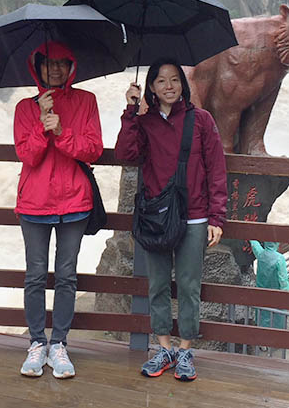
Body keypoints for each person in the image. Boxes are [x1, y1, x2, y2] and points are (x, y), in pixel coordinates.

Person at [114, 57, 228, 382]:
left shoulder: (202, 121)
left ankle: (186, 349)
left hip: (194, 217)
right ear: (151, 87)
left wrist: (216, 218)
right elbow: (125, 154)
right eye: (161, 81)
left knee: (190, 286)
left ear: (183, 84)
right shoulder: (145, 122)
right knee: (159, 284)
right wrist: (130, 112)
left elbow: (217, 170)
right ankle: (163, 347)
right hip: (157, 218)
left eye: (175, 80)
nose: (169, 86)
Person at [14, 41, 102, 379]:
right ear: (37, 67)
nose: (55, 69)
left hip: (74, 203)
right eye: (48, 63)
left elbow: (93, 149)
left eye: (62, 63)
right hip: (35, 204)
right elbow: (28, 155)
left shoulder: (86, 102)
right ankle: (37, 342)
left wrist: (62, 131)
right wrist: (40, 122)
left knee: (66, 276)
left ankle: (60, 343)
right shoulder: (25, 108)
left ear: (72, 66)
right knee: (35, 276)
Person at [250, 240, 289, 332]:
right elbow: (283, 279)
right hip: (276, 295)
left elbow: (254, 243)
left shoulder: (261, 254)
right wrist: (286, 293)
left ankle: (262, 337)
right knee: (276, 319)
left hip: (261, 294)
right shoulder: (279, 258)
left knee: (262, 316)